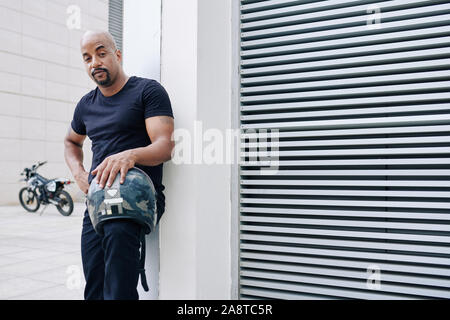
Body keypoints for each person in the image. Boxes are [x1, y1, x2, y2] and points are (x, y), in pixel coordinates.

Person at [63, 30, 174, 300]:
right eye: (87, 57)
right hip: (98, 198)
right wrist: (79, 173)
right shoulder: (86, 105)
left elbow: (165, 146)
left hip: (136, 196)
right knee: (94, 284)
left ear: (117, 55)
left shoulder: (147, 91)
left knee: (118, 289)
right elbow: (70, 142)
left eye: (101, 53)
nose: (95, 63)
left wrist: (131, 155)